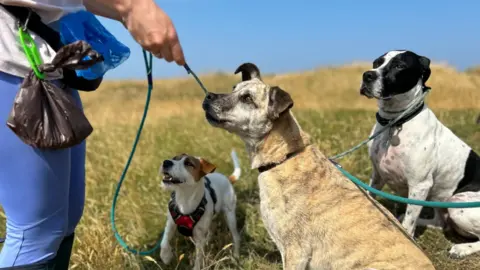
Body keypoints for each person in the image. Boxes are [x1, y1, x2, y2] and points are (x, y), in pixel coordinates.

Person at [0, 0, 185, 268]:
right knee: (35, 231)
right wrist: (131, 7)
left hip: (52, 63)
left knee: (64, 219)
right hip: (13, 59)